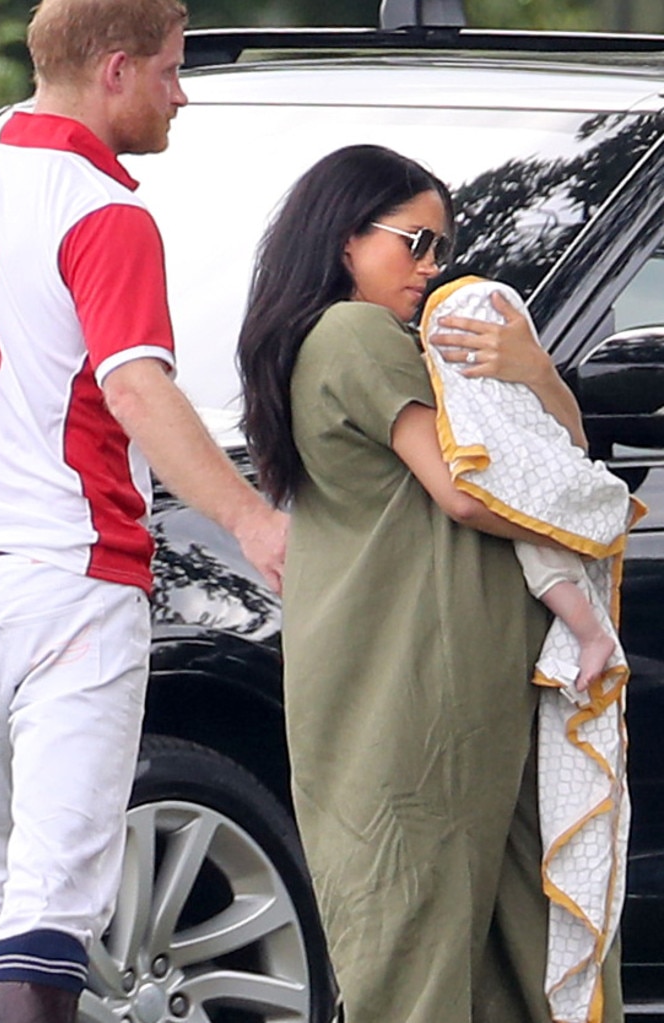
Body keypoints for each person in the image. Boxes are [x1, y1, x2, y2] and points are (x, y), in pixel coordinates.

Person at [0, 1, 287, 1022]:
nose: (180, 91)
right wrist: (251, 521)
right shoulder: (102, 210)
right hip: (71, 577)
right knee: (56, 897)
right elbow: (139, 390)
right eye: (167, 69)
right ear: (114, 69)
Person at [237, 144, 624, 1023]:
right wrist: (595, 518)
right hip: (417, 695)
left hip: (441, 689)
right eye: (414, 243)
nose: (432, 269)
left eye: (440, 249)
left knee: (506, 951)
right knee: (423, 963)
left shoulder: (384, 344)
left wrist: (534, 370)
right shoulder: (352, 332)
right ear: (344, 239)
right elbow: (471, 488)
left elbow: (547, 452)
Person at [421, 275, 631, 696]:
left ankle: (592, 635)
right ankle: (590, 634)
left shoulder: (521, 383)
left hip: (545, 484)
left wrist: (538, 369)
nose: (425, 266)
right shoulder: (427, 389)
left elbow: (575, 442)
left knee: (546, 565)